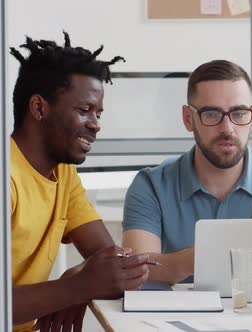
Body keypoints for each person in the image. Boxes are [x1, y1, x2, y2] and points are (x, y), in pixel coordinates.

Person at [122, 59, 252, 285]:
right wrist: (200, 257)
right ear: (189, 118)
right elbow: (139, 270)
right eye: (212, 114)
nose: (227, 128)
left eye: (239, 113)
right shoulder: (151, 185)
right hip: (175, 318)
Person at [9, 32, 151, 332]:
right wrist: (77, 288)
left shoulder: (63, 174)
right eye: (83, 110)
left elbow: (115, 265)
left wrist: (79, 282)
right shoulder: (5, 177)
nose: (96, 124)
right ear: (38, 108)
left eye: (98, 113)